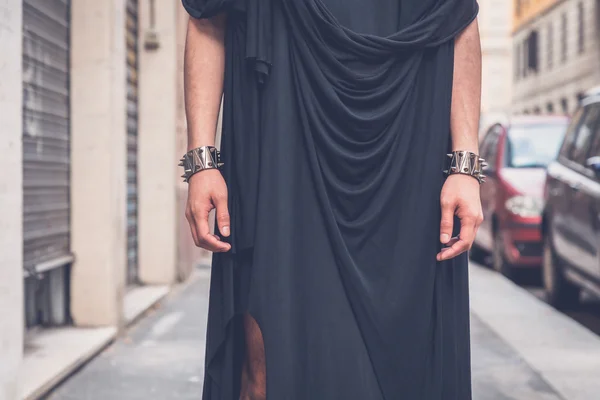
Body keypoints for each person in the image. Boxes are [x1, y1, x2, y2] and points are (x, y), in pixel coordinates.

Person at [181, 1, 483, 399]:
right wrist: (202, 161)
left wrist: (465, 165)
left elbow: (458, 19)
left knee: (404, 371)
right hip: (282, 139)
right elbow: (208, 18)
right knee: (268, 367)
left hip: (406, 156)